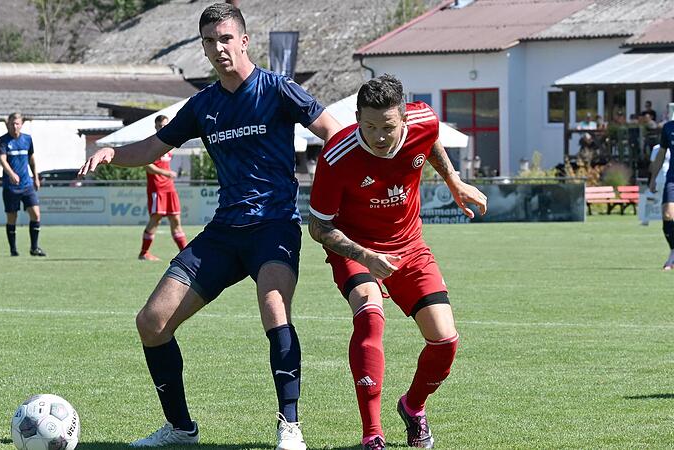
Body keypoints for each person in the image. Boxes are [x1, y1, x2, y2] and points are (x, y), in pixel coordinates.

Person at [78, 3, 341, 449]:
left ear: (244, 40)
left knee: (275, 309)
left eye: (224, 38)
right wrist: (111, 152)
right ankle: (181, 428)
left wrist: (340, 197)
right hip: (224, 233)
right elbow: (152, 146)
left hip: (274, 227)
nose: (217, 48)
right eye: (208, 41)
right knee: (152, 322)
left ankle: (290, 426)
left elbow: (336, 134)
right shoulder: (202, 106)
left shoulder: (278, 90)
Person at [307, 75, 487, 449]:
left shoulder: (424, 121)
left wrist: (454, 181)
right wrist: (365, 256)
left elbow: (430, 139)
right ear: (357, 118)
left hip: (410, 246)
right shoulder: (336, 155)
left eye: (388, 127)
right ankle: (373, 435)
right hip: (355, 248)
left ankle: (413, 407)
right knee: (371, 315)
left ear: (404, 119)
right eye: (369, 126)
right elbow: (319, 227)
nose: (379, 136)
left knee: (445, 341)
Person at [138, 115, 188, 261]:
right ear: (155, 127)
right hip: (157, 187)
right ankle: (144, 252)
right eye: (160, 126)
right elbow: (147, 164)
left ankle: (184, 254)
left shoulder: (168, 144)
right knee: (156, 218)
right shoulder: (152, 143)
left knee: (176, 219)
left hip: (169, 187)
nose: (163, 128)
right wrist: (165, 173)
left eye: (165, 126)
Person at [0, 112, 45, 257]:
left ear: (21, 124)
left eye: (17, 123)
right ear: (8, 124)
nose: (14, 126)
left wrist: (35, 177)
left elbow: (31, 159)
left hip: (27, 184)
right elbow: (3, 160)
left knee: (36, 215)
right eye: (12, 123)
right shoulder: (3, 141)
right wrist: (11, 174)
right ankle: (13, 249)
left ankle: (34, 248)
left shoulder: (27, 139)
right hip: (10, 186)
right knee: (12, 217)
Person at [648, 114, 674, 270]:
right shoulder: (668, 127)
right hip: (672, 178)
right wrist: (653, 178)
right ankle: (673, 252)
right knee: (667, 215)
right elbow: (661, 154)